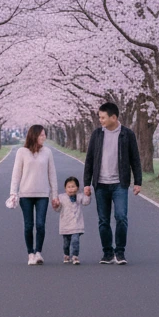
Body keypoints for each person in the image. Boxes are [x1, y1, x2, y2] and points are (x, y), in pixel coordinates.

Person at [82, 101, 142, 265]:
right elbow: (89, 160)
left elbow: (135, 159)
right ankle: (107, 253)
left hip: (119, 183)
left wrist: (138, 182)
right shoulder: (97, 134)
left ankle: (120, 252)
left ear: (113, 117)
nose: (100, 120)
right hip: (100, 184)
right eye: (99, 117)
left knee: (121, 217)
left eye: (103, 117)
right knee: (103, 220)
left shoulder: (127, 134)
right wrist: (87, 183)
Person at [9, 124, 58, 265]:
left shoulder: (47, 152)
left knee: (41, 225)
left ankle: (38, 252)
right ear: (34, 135)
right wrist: (13, 193)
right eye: (41, 134)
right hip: (25, 194)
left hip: (43, 194)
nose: (44, 137)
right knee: (28, 225)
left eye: (44, 134)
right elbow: (16, 174)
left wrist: (54, 195)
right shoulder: (22, 152)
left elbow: (52, 174)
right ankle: (30, 253)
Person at [54, 175, 90, 264]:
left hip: (76, 224)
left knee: (75, 241)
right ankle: (66, 255)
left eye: (73, 186)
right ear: (65, 188)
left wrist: (88, 195)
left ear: (77, 188)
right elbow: (58, 210)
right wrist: (56, 205)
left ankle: (75, 256)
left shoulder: (79, 196)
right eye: (68, 187)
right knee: (66, 243)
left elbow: (86, 202)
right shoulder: (61, 197)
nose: (71, 189)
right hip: (65, 225)